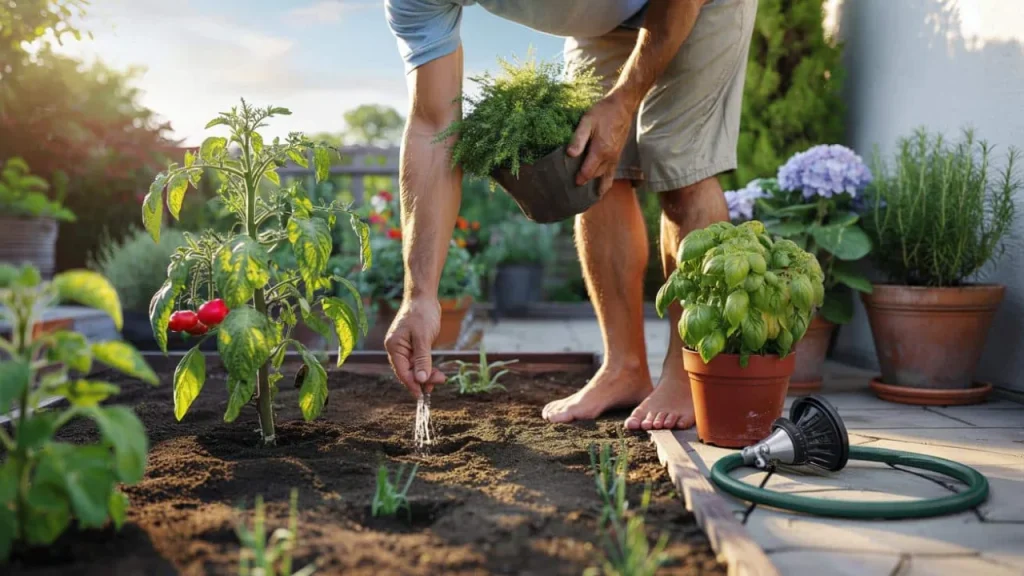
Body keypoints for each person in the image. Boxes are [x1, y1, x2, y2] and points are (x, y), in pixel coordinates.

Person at [382, 0, 757, 430]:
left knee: (680, 168)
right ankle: (624, 369)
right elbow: (433, 127)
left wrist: (624, 99)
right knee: (587, 167)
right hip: (602, 19)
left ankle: (691, 373)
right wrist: (420, 295)